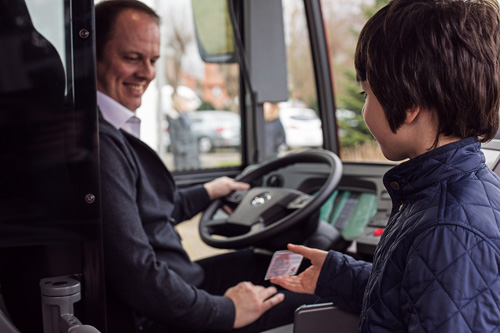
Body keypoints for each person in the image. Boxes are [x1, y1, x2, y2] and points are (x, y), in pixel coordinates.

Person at [272, 0, 500, 331]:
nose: (365, 109)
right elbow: (416, 294)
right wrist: (339, 276)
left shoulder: (447, 229)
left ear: (408, 104)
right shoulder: (437, 195)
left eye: (367, 94)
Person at [95, 1, 318, 332]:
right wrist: (226, 311)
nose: (147, 72)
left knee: (274, 263)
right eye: (131, 58)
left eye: (153, 60)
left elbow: (153, 210)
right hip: (157, 315)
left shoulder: (116, 130)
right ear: (92, 55)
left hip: (180, 281)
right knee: (317, 296)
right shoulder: (101, 144)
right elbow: (136, 272)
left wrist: (210, 191)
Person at [167, 92, 201, 170]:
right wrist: (183, 150)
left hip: (193, 154)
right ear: (179, 104)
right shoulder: (174, 118)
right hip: (182, 157)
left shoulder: (188, 117)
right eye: (184, 103)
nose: (186, 104)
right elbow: (173, 138)